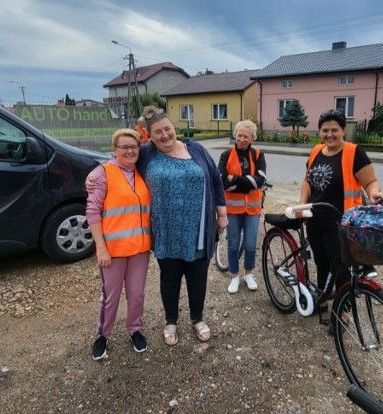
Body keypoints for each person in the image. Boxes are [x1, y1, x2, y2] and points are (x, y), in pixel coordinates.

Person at [87, 106, 227, 346]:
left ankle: (197, 318)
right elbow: (120, 159)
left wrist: (221, 214)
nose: (165, 135)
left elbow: (215, 179)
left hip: (198, 230)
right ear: (149, 136)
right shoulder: (146, 154)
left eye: (167, 129)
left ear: (174, 128)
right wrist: (92, 176)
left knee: (198, 277)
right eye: (157, 132)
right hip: (166, 231)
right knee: (170, 277)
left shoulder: (197, 150)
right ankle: (170, 321)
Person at [298, 109, 383, 313]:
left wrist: (375, 195)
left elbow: (371, 182)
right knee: (321, 262)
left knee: (341, 269)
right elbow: (307, 181)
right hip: (315, 219)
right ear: (319, 132)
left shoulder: (354, 152)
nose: (329, 134)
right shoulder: (316, 151)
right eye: (325, 130)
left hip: (342, 222)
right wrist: (302, 205)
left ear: (344, 131)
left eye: (334, 130)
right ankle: (321, 300)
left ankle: (343, 312)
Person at [86, 128, 152, 360]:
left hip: (139, 249)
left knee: (136, 294)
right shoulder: (102, 173)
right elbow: (92, 212)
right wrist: (101, 248)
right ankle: (103, 335)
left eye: (133, 146)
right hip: (113, 251)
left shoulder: (142, 172)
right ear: (114, 150)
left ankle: (135, 329)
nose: (129, 151)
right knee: (110, 296)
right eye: (123, 147)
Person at [218, 120, 267, 294]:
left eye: (246, 136)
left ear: (252, 137)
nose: (242, 139)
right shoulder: (226, 155)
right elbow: (221, 182)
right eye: (239, 135)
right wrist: (247, 182)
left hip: (252, 209)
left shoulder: (258, 155)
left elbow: (260, 180)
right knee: (232, 244)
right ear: (235, 136)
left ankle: (248, 274)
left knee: (250, 245)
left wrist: (233, 178)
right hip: (232, 209)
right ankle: (234, 277)